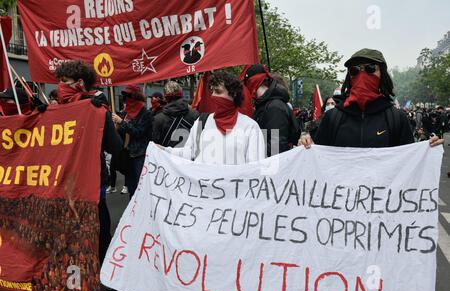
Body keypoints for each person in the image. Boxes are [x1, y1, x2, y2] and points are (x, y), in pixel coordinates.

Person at [53, 60, 123, 291]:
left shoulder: (93, 110)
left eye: (64, 82)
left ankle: (104, 283)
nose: (60, 87)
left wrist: (103, 118)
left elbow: (113, 147)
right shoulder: (59, 111)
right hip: (76, 189)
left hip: (82, 189)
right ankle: (103, 284)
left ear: (79, 83)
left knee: (91, 238)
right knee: (95, 238)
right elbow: (115, 148)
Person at [299, 48, 443, 149]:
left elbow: (408, 162)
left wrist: (427, 150)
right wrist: (305, 145)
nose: (362, 75)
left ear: (382, 74)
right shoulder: (332, 118)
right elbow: (317, 160)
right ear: (349, 77)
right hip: (341, 192)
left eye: (370, 68)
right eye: (355, 70)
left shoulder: (397, 118)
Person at [161, 71, 266, 165]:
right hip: (203, 186)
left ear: (233, 94)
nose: (213, 96)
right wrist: (164, 150)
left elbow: (255, 167)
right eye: (212, 92)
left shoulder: (250, 127)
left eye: (218, 92)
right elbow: (190, 152)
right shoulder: (202, 121)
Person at [243, 64, 300, 157]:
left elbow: (276, 147)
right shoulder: (264, 105)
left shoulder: (274, 107)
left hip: (272, 166)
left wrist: (251, 156)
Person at [112, 85, 153, 199]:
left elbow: (139, 132)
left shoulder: (146, 113)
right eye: (125, 96)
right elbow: (121, 132)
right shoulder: (125, 112)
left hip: (140, 154)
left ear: (136, 96)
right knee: (131, 188)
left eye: (130, 95)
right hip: (127, 154)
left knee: (140, 187)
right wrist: (116, 125)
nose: (127, 99)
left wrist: (122, 123)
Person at [152, 81, 199, 148]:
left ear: (165, 98)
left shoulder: (158, 119)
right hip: (189, 157)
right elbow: (199, 139)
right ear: (181, 95)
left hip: (166, 158)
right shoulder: (195, 114)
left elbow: (154, 146)